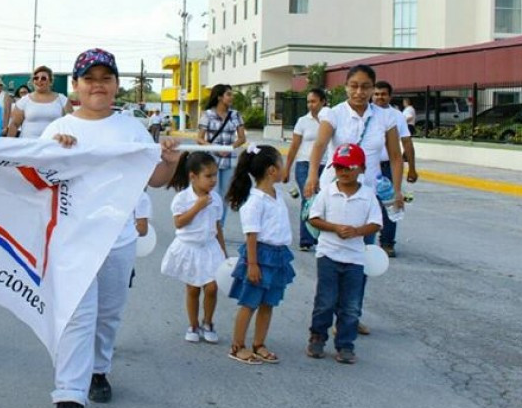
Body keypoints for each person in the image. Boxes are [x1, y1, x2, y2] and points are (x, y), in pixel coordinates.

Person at [43, 48, 181, 408]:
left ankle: (98, 370)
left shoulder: (131, 128)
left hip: (118, 239)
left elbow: (155, 179)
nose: (98, 86)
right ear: (76, 85)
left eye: (106, 79)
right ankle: (69, 398)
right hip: (72, 241)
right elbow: (40, 183)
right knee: (77, 316)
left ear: (117, 84)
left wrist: (170, 162)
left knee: (107, 314)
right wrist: (54, 155)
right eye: (89, 79)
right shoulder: (58, 130)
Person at [304, 64, 404, 336]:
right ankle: (327, 313)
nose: (359, 92)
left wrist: (397, 190)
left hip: (366, 195)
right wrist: (312, 176)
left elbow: (396, 156)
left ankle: (350, 315)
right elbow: (319, 146)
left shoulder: (386, 117)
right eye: (354, 86)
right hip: (335, 193)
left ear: (373, 88)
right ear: (346, 87)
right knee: (332, 255)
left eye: (365, 87)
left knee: (361, 257)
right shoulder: (333, 114)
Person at [306, 143, 381, 365]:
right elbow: (314, 218)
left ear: (362, 169)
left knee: (351, 305)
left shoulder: (368, 195)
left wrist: (357, 231)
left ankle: (346, 344)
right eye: (339, 167)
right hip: (328, 255)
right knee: (325, 301)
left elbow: (376, 223)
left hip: (355, 258)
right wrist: (334, 228)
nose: (344, 172)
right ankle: (317, 336)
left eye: (349, 167)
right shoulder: (328, 192)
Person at [224, 144, 294, 365]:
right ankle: (237, 346)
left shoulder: (277, 194)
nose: (285, 168)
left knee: (268, 303)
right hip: (260, 256)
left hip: (278, 256)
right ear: (272, 170)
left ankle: (259, 343)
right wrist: (252, 265)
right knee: (250, 302)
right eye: (282, 163)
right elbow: (251, 236)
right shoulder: (255, 201)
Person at [160, 151, 226, 344]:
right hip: (190, 249)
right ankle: (193, 325)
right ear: (193, 177)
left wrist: (223, 251)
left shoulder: (216, 199)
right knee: (193, 288)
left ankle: (208, 322)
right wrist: (198, 206)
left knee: (212, 287)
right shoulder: (182, 198)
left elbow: (217, 226)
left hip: (210, 248)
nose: (213, 180)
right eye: (208, 176)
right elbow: (179, 222)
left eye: (215, 175)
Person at [372, 81, 418, 257]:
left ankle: (387, 242)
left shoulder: (397, 116)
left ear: (390, 96)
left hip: (387, 167)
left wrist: (412, 168)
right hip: (367, 167)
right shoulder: (366, 113)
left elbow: (407, 142)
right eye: (376, 94)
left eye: (383, 94)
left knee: (391, 204)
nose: (379, 97)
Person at [282, 88, 327, 251]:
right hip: (304, 164)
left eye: (313, 101)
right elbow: (294, 146)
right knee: (308, 198)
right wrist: (287, 169)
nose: (310, 105)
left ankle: (322, 237)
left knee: (323, 200)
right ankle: (306, 240)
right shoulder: (302, 121)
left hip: (325, 165)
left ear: (323, 101)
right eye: (308, 102)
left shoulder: (330, 119)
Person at [196, 84, 247, 211]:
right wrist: (216, 148)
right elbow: (199, 139)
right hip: (211, 161)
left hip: (229, 161)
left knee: (225, 196)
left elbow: (242, 138)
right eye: (228, 94)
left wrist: (229, 148)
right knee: (214, 194)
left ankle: (220, 223)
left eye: (232, 95)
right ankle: (212, 222)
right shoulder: (207, 115)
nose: (231, 97)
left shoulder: (235, 115)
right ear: (219, 97)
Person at [8, 66, 71, 138]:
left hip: (53, 143)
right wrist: (8, 142)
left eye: (43, 78)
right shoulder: (24, 101)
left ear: (50, 82)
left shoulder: (62, 100)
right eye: (36, 78)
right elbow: (14, 124)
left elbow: (71, 123)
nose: (39, 80)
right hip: (28, 143)